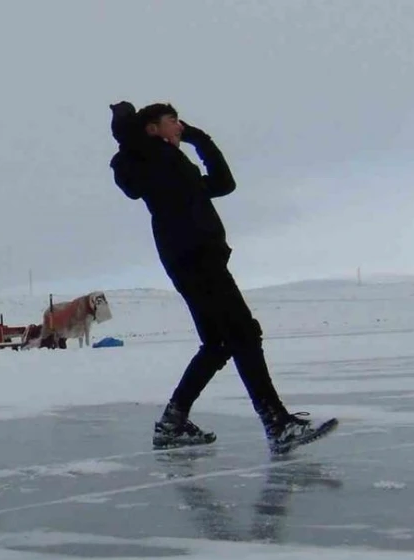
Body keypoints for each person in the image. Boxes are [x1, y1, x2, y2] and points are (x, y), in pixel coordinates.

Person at [108, 101, 337, 455]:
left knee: (218, 344)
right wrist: (127, 122)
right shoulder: (144, 159)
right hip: (194, 258)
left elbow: (224, 184)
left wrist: (201, 139)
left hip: (198, 258)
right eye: (173, 121)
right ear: (151, 129)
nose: (180, 125)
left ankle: (173, 422)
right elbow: (129, 157)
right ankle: (276, 423)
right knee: (243, 333)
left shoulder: (175, 165)